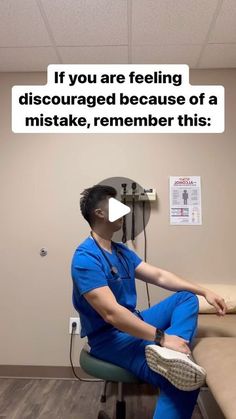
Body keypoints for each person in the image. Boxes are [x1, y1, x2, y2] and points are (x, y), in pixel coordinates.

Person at [71, 185, 227, 419]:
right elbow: (112, 314)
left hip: (134, 320)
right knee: (180, 382)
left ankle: (174, 356)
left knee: (186, 297)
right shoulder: (86, 257)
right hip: (108, 338)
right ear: (100, 213)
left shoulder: (121, 251)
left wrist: (204, 291)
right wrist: (162, 337)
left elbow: (160, 276)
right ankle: (173, 361)